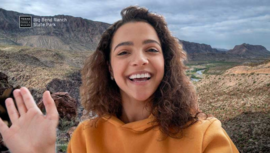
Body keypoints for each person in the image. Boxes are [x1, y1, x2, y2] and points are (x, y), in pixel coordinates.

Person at [0, 6, 239, 153]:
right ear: (110, 69)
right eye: (124, 52)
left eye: (152, 50)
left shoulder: (206, 136)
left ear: (166, 62)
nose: (140, 60)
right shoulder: (86, 138)